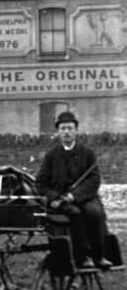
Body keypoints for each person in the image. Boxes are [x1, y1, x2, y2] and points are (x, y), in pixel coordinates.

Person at [35, 111, 112, 269]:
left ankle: (98, 256)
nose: (66, 132)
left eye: (70, 128)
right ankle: (82, 256)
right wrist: (55, 197)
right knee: (75, 214)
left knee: (94, 212)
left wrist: (74, 196)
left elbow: (94, 180)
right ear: (58, 132)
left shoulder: (87, 153)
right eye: (63, 129)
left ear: (76, 130)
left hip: (85, 197)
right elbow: (41, 183)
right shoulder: (51, 156)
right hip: (61, 201)